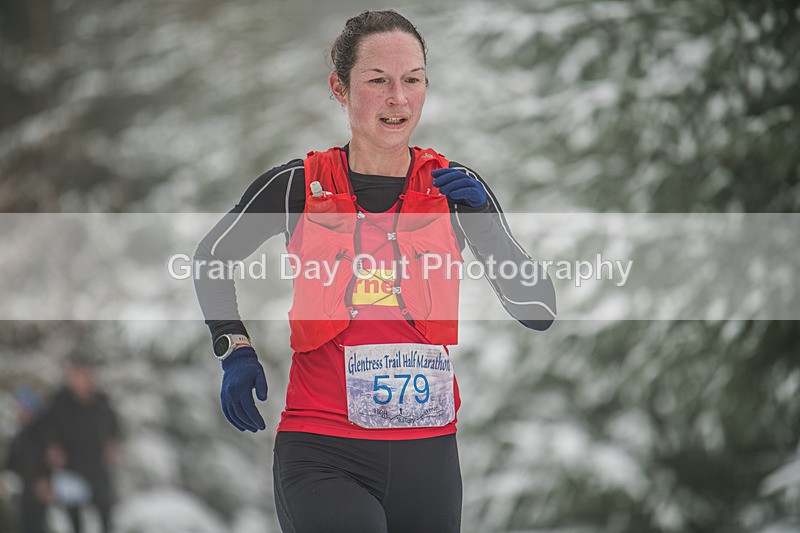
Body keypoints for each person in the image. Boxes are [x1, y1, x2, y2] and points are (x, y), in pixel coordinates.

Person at [194, 10, 556, 532]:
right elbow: (210, 259)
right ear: (339, 88)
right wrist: (234, 348)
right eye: (377, 80)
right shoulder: (298, 186)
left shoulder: (454, 189)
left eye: (412, 80)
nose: (398, 98)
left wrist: (488, 228)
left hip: (428, 458)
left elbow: (539, 311)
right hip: (324, 454)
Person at [42, 355, 122, 533]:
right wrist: (53, 447)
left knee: (104, 506)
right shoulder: (59, 400)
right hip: (70, 463)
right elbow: (47, 428)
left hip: (96, 462)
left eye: (83, 374)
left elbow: (114, 425)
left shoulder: (101, 400)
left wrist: (113, 444)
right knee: (72, 513)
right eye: (74, 374)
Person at [5, 386, 52, 533]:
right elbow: (11, 462)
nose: (20, 411)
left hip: (43, 493)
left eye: (24, 407)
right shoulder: (20, 435)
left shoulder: (44, 433)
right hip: (24, 491)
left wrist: (46, 479)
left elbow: (53, 461)